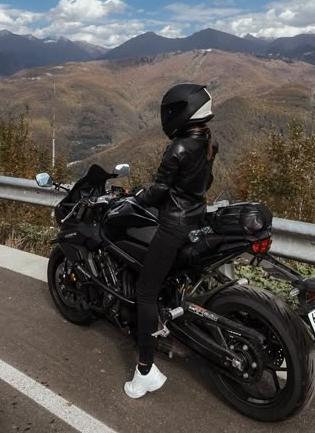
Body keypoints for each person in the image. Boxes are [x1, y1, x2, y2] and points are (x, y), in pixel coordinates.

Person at [124, 83, 218, 399]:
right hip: (197, 220)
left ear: (180, 112)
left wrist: (137, 197)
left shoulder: (178, 148)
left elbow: (159, 191)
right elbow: (202, 182)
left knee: (145, 292)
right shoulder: (206, 141)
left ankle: (145, 371)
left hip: (174, 226)